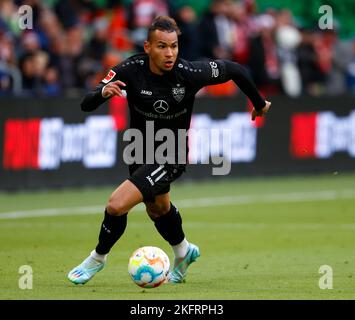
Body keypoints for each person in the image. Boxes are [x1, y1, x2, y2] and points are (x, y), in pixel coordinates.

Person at [67, 16, 270, 285]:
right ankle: (184, 252)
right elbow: (86, 103)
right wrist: (102, 94)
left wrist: (258, 103)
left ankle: (97, 259)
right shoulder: (130, 69)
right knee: (158, 210)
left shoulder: (189, 73)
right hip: (138, 150)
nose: (170, 53)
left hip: (170, 154)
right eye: (162, 46)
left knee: (116, 205)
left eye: (174, 46)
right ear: (147, 47)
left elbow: (235, 70)